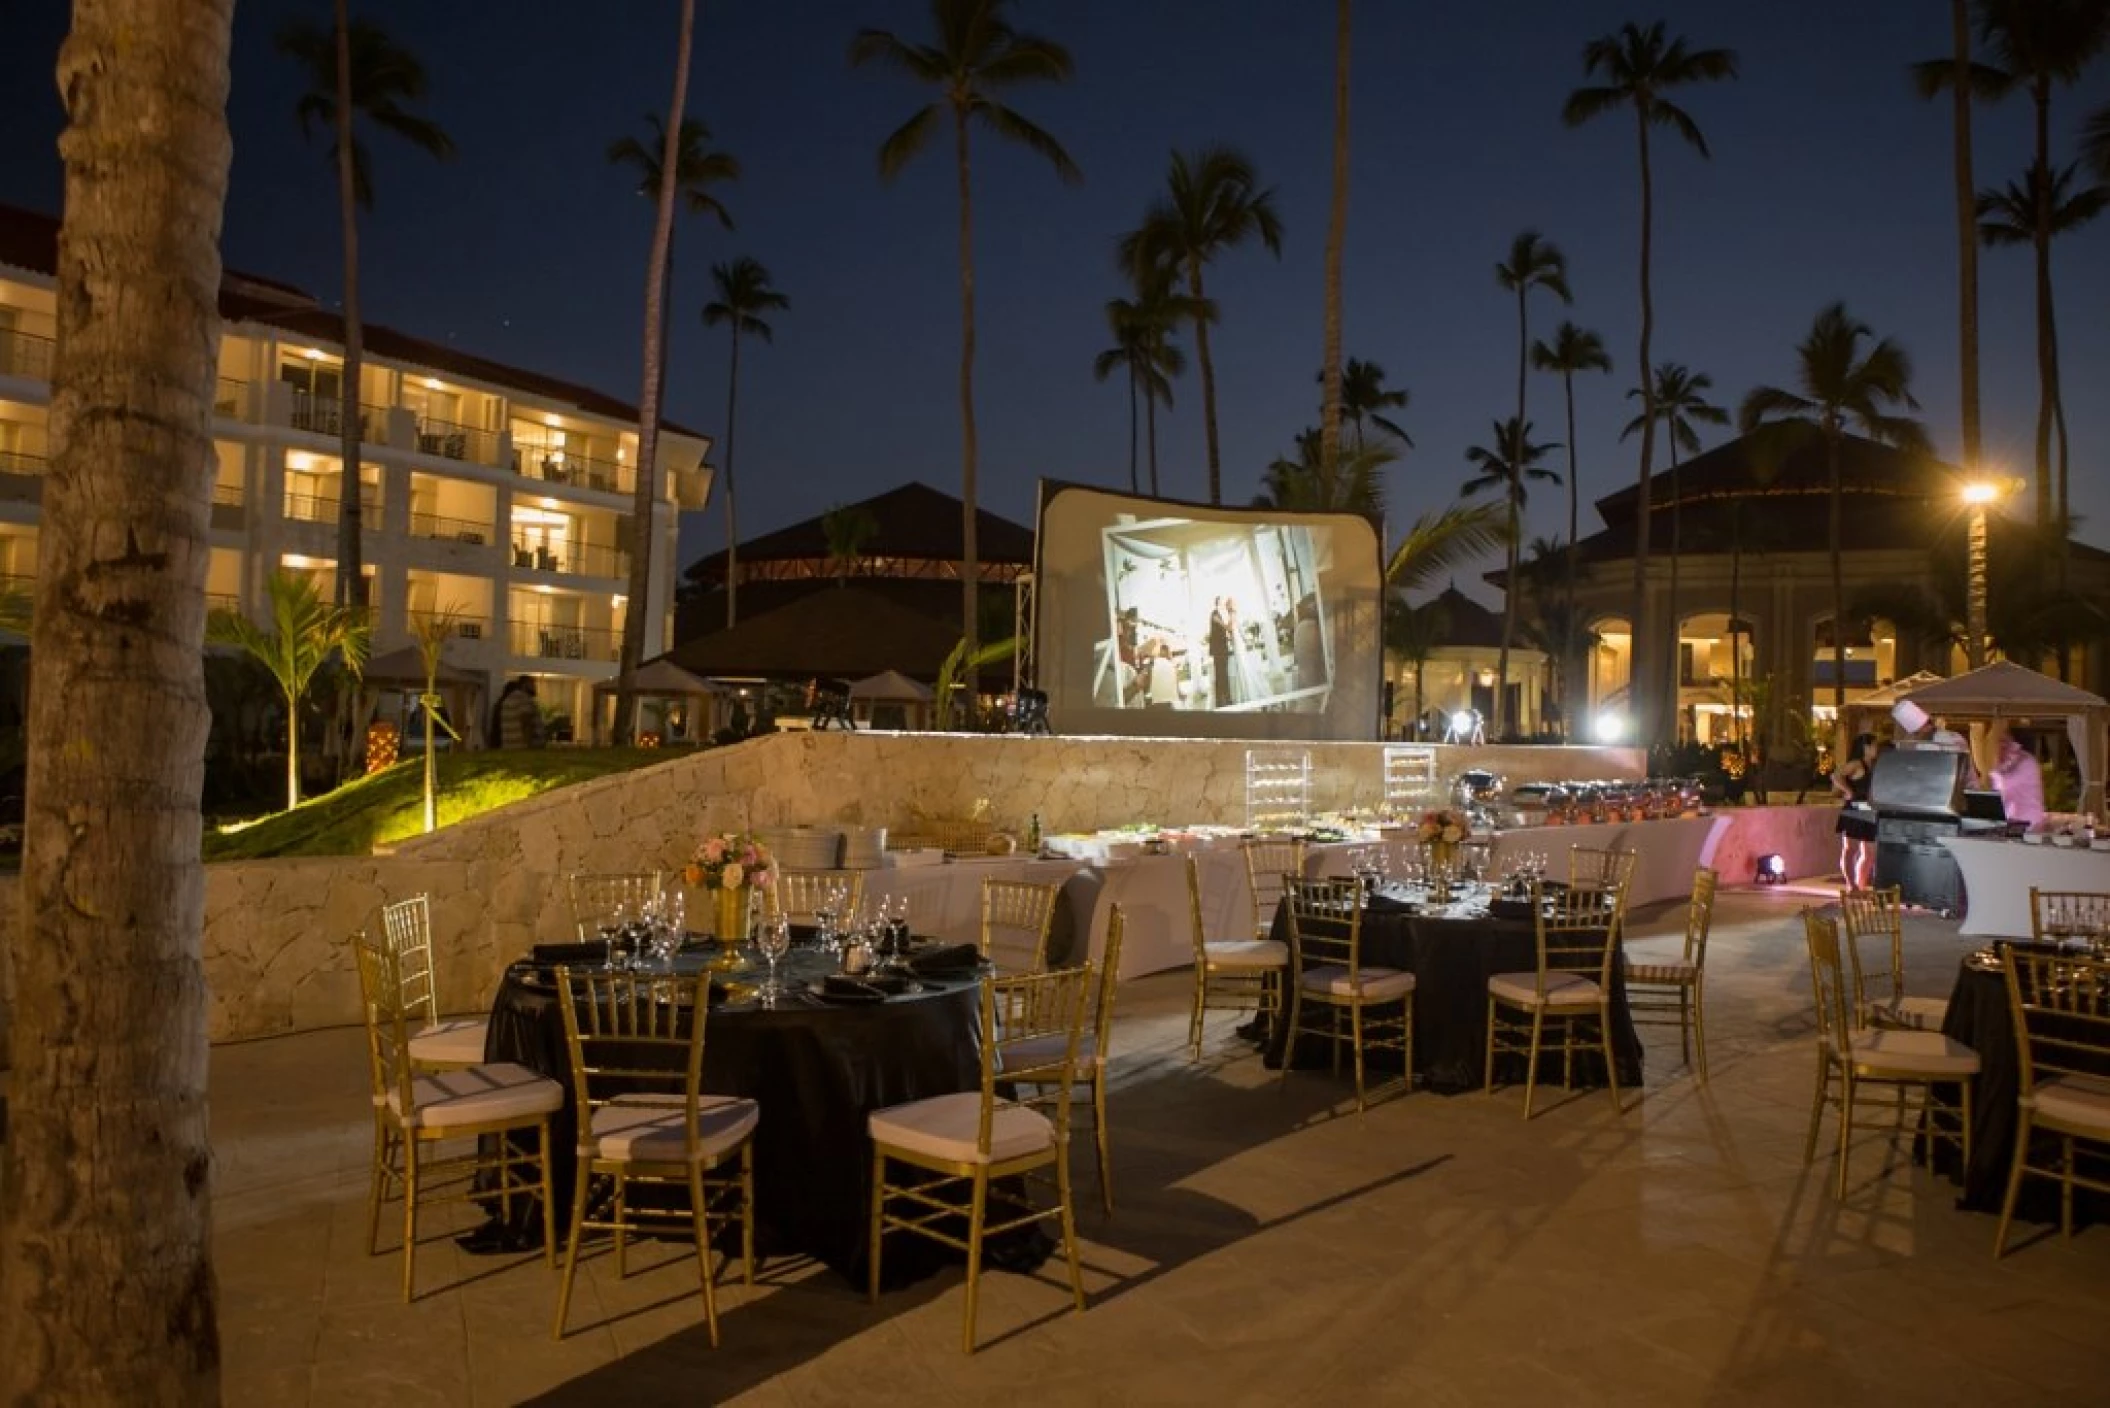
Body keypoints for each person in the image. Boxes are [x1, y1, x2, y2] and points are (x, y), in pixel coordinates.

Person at [1832, 731, 1880, 891]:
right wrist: (1848, 791)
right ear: (1865, 747)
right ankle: (1851, 885)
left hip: (1869, 810)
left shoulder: (1873, 765)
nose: (1876, 749)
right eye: (1873, 746)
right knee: (1850, 849)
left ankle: (1861, 883)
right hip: (1855, 809)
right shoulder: (1856, 764)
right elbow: (1836, 775)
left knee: (1870, 852)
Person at [1983, 725, 2047, 828]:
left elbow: (2003, 793)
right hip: (2011, 825)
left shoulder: (2023, 761)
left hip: (2028, 826)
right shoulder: (2000, 762)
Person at [498, 674, 543, 749]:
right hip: (522, 746)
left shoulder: (508, 699)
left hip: (509, 745)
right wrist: (528, 745)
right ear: (525, 684)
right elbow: (526, 721)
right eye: (532, 684)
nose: (535, 687)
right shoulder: (524, 698)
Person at [1207, 597, 1234, 708]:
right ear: (1217, 603)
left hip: (1222, 649)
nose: (1223, 605)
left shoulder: (1219, 616)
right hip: (1219, 650)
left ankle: (1223, 699)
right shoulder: (1214, 614)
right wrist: (1231, 613)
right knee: (1220, 674)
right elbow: (1227, 627)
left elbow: (1226, 630)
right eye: (1221, 603)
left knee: (1222, 674)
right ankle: (1223, 699)